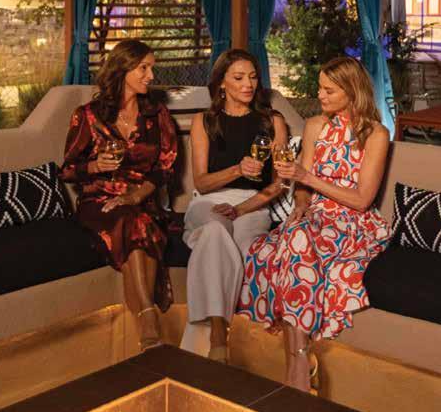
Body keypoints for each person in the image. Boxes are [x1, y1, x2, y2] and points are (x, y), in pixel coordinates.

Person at [237, 56, 391, 391]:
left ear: (352, 91)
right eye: (320, 88)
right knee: (275, 246)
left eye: (329, 90)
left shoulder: (376, 135)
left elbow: (362, 200)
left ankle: (296, 364)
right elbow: (302, 188)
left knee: (291, 246)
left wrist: (306, 178)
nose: (320, 95)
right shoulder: (315, 126)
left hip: (352, 221)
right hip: (315, 217)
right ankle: (300, 359)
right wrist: (302, 205)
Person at [60, 39, 177, 352]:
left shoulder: (156, 114)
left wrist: (136, 195)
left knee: (136, 219)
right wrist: (96, 165)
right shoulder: (88, 116)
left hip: (142, 198)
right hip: (100, 202)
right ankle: (149, 317)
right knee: (133, 222)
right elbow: (68, 170)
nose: (151, 76)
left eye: (152, 68)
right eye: (144, 68)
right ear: (123, 69)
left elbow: (166, 167)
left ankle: (145, 323)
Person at [180, 49, 288, 363]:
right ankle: (218, 337)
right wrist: (237, 170)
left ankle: (209, 345)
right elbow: (201, 183)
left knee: (240, 245)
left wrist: (243, 209)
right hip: (210, 201)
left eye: (253, 77)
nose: (248, 84)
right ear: (221, 84)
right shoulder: (204, 121)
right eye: (239, 78)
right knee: (215, 229)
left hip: (253, 205)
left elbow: (279, 184)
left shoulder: (272, 122)